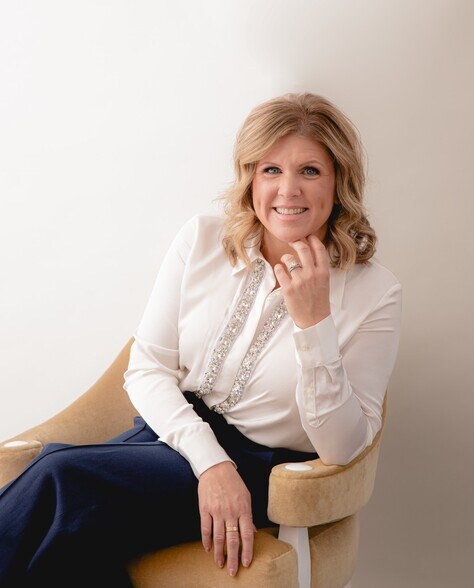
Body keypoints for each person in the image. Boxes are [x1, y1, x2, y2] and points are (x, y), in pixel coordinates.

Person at [0, 92, 402, 587]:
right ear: (250, 178)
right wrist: (212, 465)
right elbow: (146, 368)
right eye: (271, 169)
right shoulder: (203, 240)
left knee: (60, 476)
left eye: (310, 171)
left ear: (339, 181)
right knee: (72, 545)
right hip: (174, 437)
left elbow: (343, 447)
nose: (288, 189)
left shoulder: (375, 292)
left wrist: (314, 324)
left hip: (264, 471)